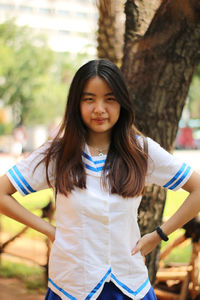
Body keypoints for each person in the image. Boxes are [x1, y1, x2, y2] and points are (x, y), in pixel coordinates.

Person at [0, 59, 200, 300]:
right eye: (89, 99)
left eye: (109, 98)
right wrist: (51, 231)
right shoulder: (58, 154)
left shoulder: (141, 151)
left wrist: (159, 234)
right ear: (77, 103)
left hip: (129, 287)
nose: (99, 109)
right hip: (71, 286)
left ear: (122, 103)